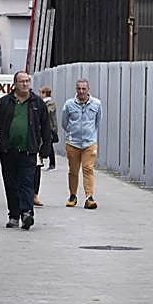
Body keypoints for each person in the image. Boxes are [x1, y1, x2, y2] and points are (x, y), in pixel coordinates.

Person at [0, 70, 51, 230]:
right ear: (15, 84)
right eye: (22, 81)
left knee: (27, 182)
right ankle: (13, 215)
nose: (25, 84)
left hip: (28, 150)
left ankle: (27, 213)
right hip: (8, 150)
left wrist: (45, 148)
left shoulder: (37, 103)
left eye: (27, 81)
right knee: (11, 183)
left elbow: (46, 126)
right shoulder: (5, 102)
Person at [60, 78, 101, 209]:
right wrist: (72, 132)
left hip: (89, 142)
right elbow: (64, 122)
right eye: (79, 89)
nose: (81, 91)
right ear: (76, 89)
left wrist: (90, 133)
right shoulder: (69, 104)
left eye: (84, 89)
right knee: (73, 170)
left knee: (88, 169)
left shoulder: (96, 104)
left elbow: (97, 122)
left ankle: (89, 197)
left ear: (88, 89)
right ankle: (72, 196)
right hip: (73, 142)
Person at [40, 86, 58, 170]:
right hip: (42, 127)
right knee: (41, 144)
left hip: (49, 128)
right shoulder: (42, 102)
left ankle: (52, 164)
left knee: (49, 146)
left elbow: (48, 112)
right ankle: (41, 161)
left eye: (41, 92)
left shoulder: (50, 103)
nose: (39, 94)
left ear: (45, 93)